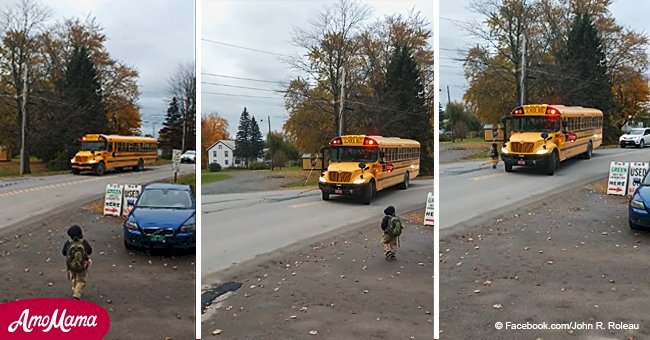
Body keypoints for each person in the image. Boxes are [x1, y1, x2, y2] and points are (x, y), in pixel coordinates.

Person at [61, 225, 93, 299]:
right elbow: (90, 251)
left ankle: (75, 289)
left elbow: (63, 253)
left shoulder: (68, 243)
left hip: (71, 266)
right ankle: (76, 295)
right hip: (82, 266)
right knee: (81, 280)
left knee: (74, 277)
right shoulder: (84, 242)